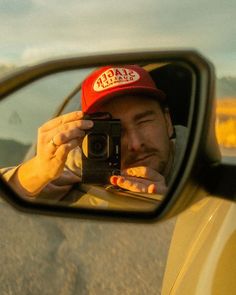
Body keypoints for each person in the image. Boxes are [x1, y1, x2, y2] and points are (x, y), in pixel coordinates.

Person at [1, 65, 187, 201]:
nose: (136, 144)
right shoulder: (87, 163)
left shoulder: (197, 158)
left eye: (144, 121)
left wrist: (169, 200)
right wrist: (39, 169)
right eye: (116, 130)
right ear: (92, 136)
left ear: (168, 122)